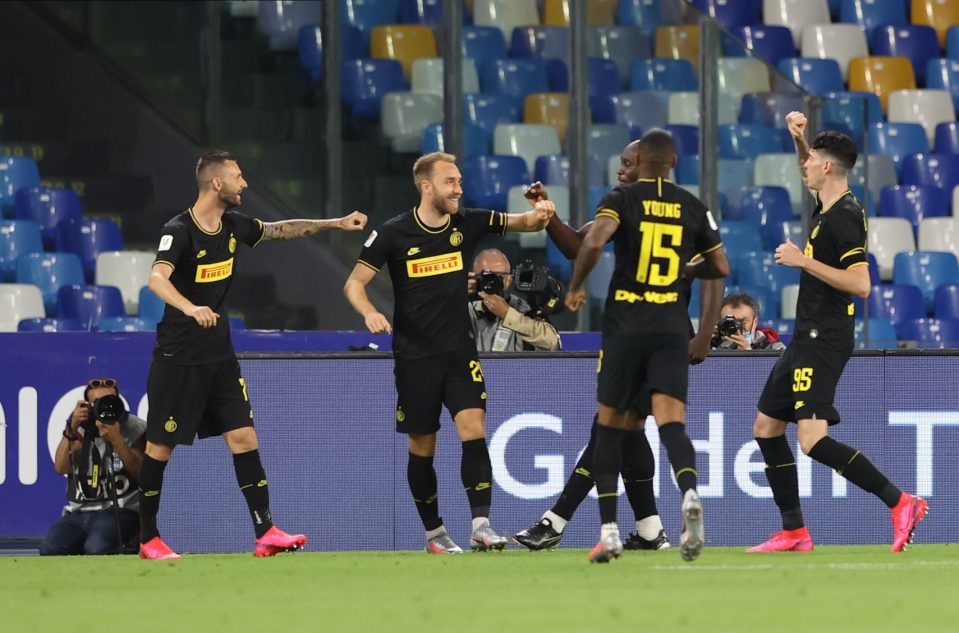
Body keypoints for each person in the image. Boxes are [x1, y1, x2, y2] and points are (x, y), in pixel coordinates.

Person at [138, 150, 368, 560]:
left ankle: (265, 532)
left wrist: (334, 223)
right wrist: (189, 307)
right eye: (238, 177)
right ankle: (148, 539)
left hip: (219, 354)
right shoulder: (179, 230)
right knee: (160, 447)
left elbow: (279, 230)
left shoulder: (233, 226)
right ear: (216, 183)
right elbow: (157, 278)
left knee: (243, 436)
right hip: (179, 356)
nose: (245, 184)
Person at [513, 141, 726, 553]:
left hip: (633, 330)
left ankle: (559, 521)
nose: (620, 170)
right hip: (666, 333)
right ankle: (650, 528)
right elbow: (716, 268)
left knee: (611, 428)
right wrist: (550, 214)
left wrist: (704, 333)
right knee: (630, 430)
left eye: (627, 163)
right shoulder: (685, 207)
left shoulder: (625, 204)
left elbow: (587, 249)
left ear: (647, 164)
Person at [343, 151, 556, 554]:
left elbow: (524, 222)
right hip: (415, 358)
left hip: (459, 353)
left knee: (473, 430)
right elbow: (354, 284)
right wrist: (370, 312)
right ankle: (435, 534)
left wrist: (542, 211)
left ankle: (481, 526)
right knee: (422, 447)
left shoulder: (468, 222)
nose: (458, 189)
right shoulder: (393, 233)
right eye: (450, 182)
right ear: (426, 187)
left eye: (459, 181)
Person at [749, 112, 927, 553]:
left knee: (811, 440)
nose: (803, 164)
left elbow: (862, 284)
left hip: (824, 337)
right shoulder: (826, 205)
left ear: (827, 167)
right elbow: (809, 164)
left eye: (810, 159)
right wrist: (800, 139)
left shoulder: (845, 215)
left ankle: (901, 501)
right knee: (767, 427)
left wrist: (802, 261)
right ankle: (794, 532)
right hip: (805, 335)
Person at [40, 378, 146, 555]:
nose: (106, 408)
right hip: (79, 512)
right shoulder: (78, 428)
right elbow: (60, 467)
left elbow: (140, 471)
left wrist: (117, 440)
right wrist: (71, 428)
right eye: (98, 404)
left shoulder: (134, 426)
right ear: (88, 406)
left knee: (96, 547)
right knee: (50, 549)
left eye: (111, 402)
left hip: (120, 511)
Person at [467, 248, 561, 352]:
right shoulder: (463, 308)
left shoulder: (524, 309)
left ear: (508, 280)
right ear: (473, 278)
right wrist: (457, 296)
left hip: (512, 368)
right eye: (485, 277)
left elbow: (552, 342)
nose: (491, 283)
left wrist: (507, 314)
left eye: (497, 277)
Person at [711, 292, 786, 351]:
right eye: (728, 322)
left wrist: (748, 353)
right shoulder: (710, 346)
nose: (735, 327)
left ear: (755, 322)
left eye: (742, 321)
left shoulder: (774, 348)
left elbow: (783, 370)